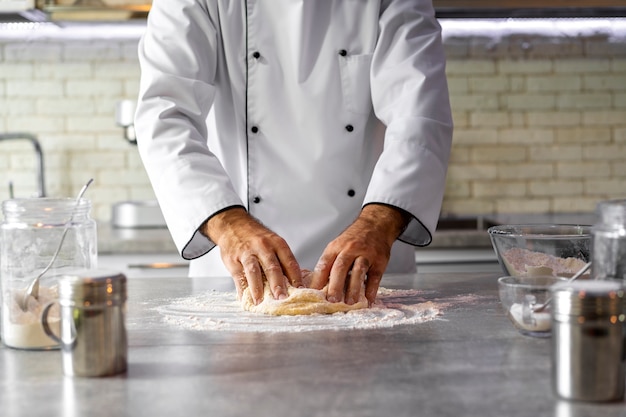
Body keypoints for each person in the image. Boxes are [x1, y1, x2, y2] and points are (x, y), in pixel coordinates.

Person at [134, 0, 453, 308]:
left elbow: (420, 116)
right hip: (238, 278)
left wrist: (378, 222)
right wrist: (227, 223)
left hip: (364, 275)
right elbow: (165, 116)